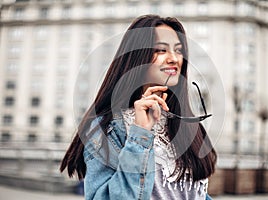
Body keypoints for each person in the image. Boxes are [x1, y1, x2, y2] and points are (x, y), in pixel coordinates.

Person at [60, 14, 216, 200]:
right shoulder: (107, 127)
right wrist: (140, 134)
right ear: (137, 56)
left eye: (179, 50)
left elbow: (194, 194)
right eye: (160, 50)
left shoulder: (187, 124)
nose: (174, 59)